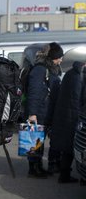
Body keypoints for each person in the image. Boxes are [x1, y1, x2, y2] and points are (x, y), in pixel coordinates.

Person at [26, 42, 63, 178]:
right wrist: (32, 113)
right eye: (59, 57)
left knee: (38, 141)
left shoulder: (50, 69)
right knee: (35, 140)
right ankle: (34, 169)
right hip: (39, 112)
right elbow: (34, 92)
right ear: (53, 57)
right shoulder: (40, 70)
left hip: (46, 111)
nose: (61, 60)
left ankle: (38, 166)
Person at [49, 61, 86, 183]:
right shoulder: (79, 76)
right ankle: (65, 175)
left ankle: (65, 175)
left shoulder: (71, 73)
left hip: (65, 114)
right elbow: (78, 99)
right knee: (71, 147)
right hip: (73, 116)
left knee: (68, 147)